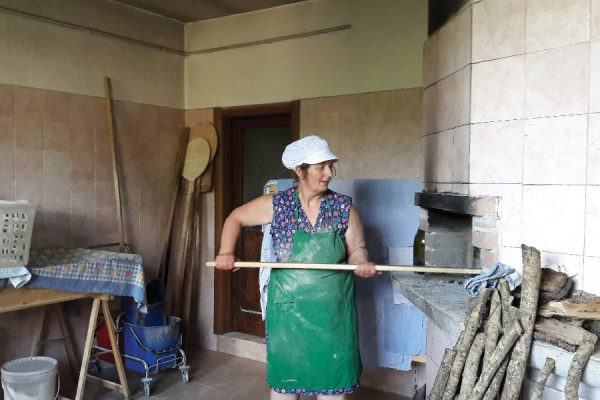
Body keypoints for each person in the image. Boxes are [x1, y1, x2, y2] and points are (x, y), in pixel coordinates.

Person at [215, 135, 379, 400]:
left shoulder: (343, 208)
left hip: (332, 315)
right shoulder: (278, 205)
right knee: (285, 385)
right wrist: (226, 251)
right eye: (321, 166)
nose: (329, 172)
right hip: (289, 314)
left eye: (330, 165)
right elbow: (235, 217)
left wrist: (361, 263)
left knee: (333, 384)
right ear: (299, 170)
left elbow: (357, 249)